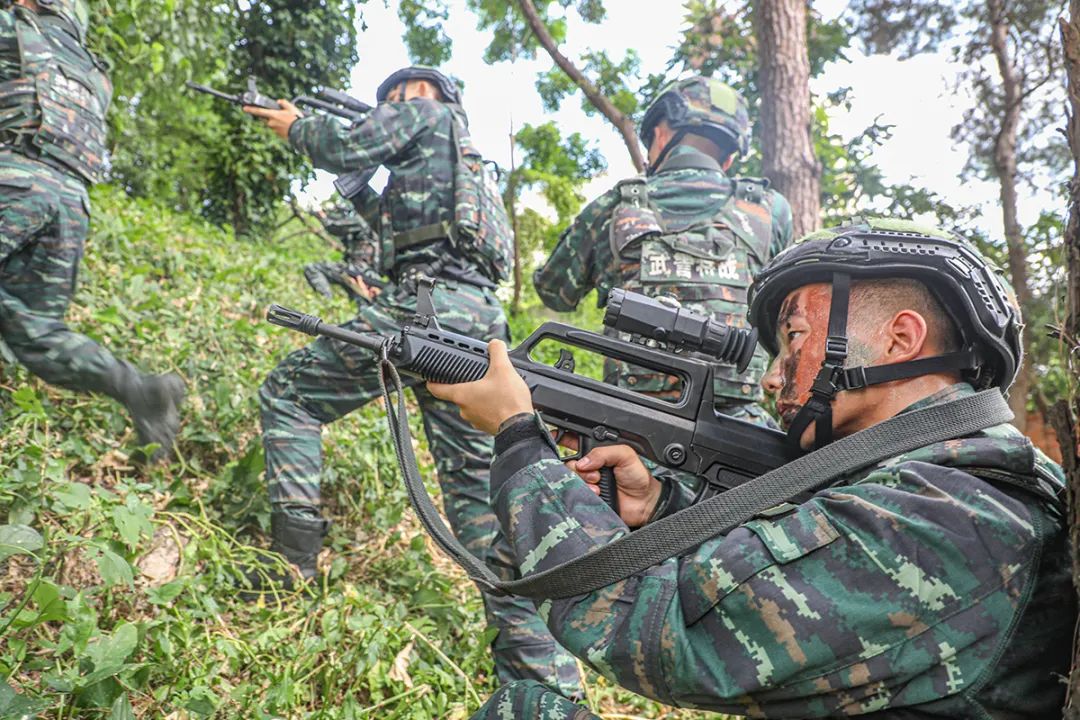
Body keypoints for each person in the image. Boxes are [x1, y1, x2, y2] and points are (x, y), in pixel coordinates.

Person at [430, 219, 1072, 718]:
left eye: (794, 337)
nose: (770, 377)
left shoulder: (953, 516)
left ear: (900, 340)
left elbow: (655, 634)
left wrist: (520, 440)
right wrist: (660, 507)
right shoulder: (942, 484)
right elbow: (785, 557)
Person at [243, 66, 583, 696]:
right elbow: (407, 229)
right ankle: (540, 680)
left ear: (421, 96)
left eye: (397, 96)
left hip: (421, 311)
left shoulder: (424, 114)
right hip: (482, 327)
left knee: (288, 396)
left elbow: (338, 145)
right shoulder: (472, 167)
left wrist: (296, 128)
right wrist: (361, 192)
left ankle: (288, 569)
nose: (394, 104)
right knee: (482, 501)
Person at [533, 76, 793, 426]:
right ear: (730, 155)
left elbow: (554, 293)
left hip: (630, 430)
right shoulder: (770, 211)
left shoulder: (613, 207)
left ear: (660, 132)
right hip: (740, 430)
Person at [0, 0, 185, 461]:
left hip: (15, 180)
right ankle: (136, 387)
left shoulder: (11, 30)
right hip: (72, 205)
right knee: (30, 326)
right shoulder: (90, 70)